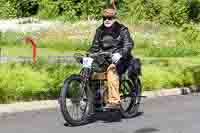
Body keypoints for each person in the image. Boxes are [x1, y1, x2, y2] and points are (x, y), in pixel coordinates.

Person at [87, 5, 134, 109]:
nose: (107, 20)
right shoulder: (99, 30)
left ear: (114, 18)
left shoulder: (122, 29)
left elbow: (129, 44)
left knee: (111, 71)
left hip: (122, 59)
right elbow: (94, 47)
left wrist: (121, 53)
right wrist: (89, 55)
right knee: (90, 70)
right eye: (104, 18)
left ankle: (114, 101)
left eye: (109, 18)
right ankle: (95, 99)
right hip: (105, 58)